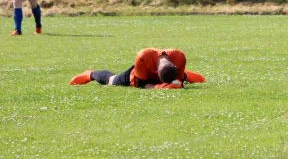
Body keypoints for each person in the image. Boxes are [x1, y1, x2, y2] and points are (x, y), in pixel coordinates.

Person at [69, 48, 206, 89]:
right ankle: (90, 74)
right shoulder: (143, 57)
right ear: (155, 71)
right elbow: (140, 85)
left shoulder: (180, 56)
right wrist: (159, 88)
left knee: (182, 79)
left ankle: (189, 76)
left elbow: (178, 81)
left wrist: (177, 84)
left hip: (167, 74)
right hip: (137, 76)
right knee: (111, 80)